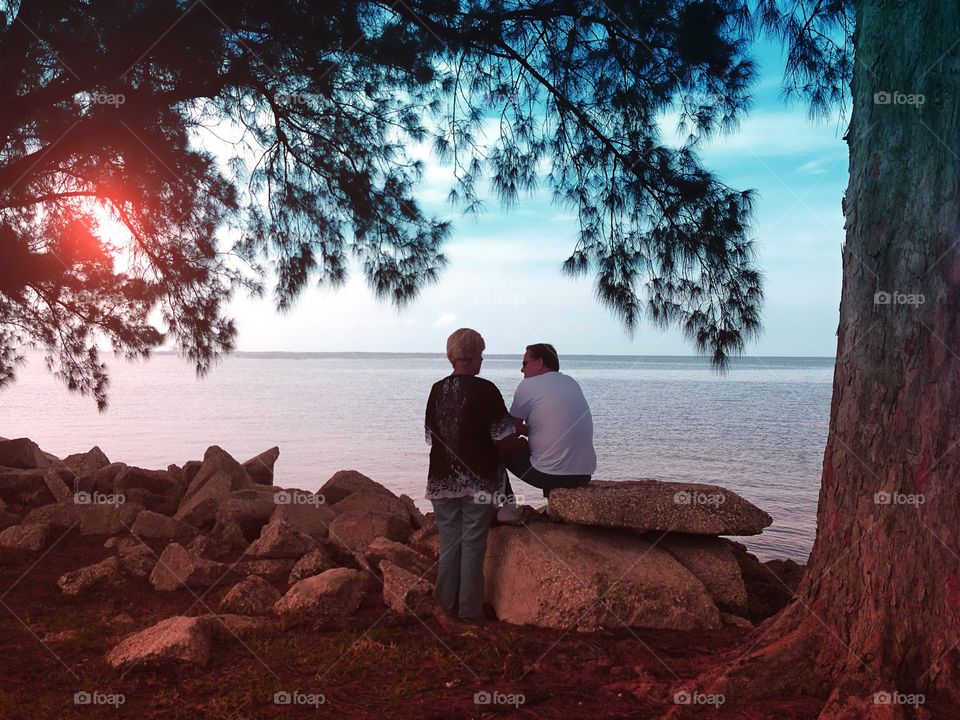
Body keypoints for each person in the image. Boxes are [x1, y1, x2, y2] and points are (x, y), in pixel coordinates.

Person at [424, 328, 515, 621]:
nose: (482, 360)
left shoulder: (437, 389)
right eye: (481, 355)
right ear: (473, 356)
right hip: (478, 480)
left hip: (441, 479)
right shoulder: (486, 390)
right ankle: (469, 613)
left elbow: (431, 435)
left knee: (450, 543)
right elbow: (502, 434)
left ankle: (444, 606)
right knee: (473, 545)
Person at [499, 343, 596, 517]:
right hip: (584, 475)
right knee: (546, 450)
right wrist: (531, 432)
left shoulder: (529, 385)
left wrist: (521, 436)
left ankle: (508, 506)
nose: (522, 370)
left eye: (525, 363)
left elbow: (507, 429)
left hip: (550, 476)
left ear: (539, 362)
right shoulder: (571, 382)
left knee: (497, 445)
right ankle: (553, 509)